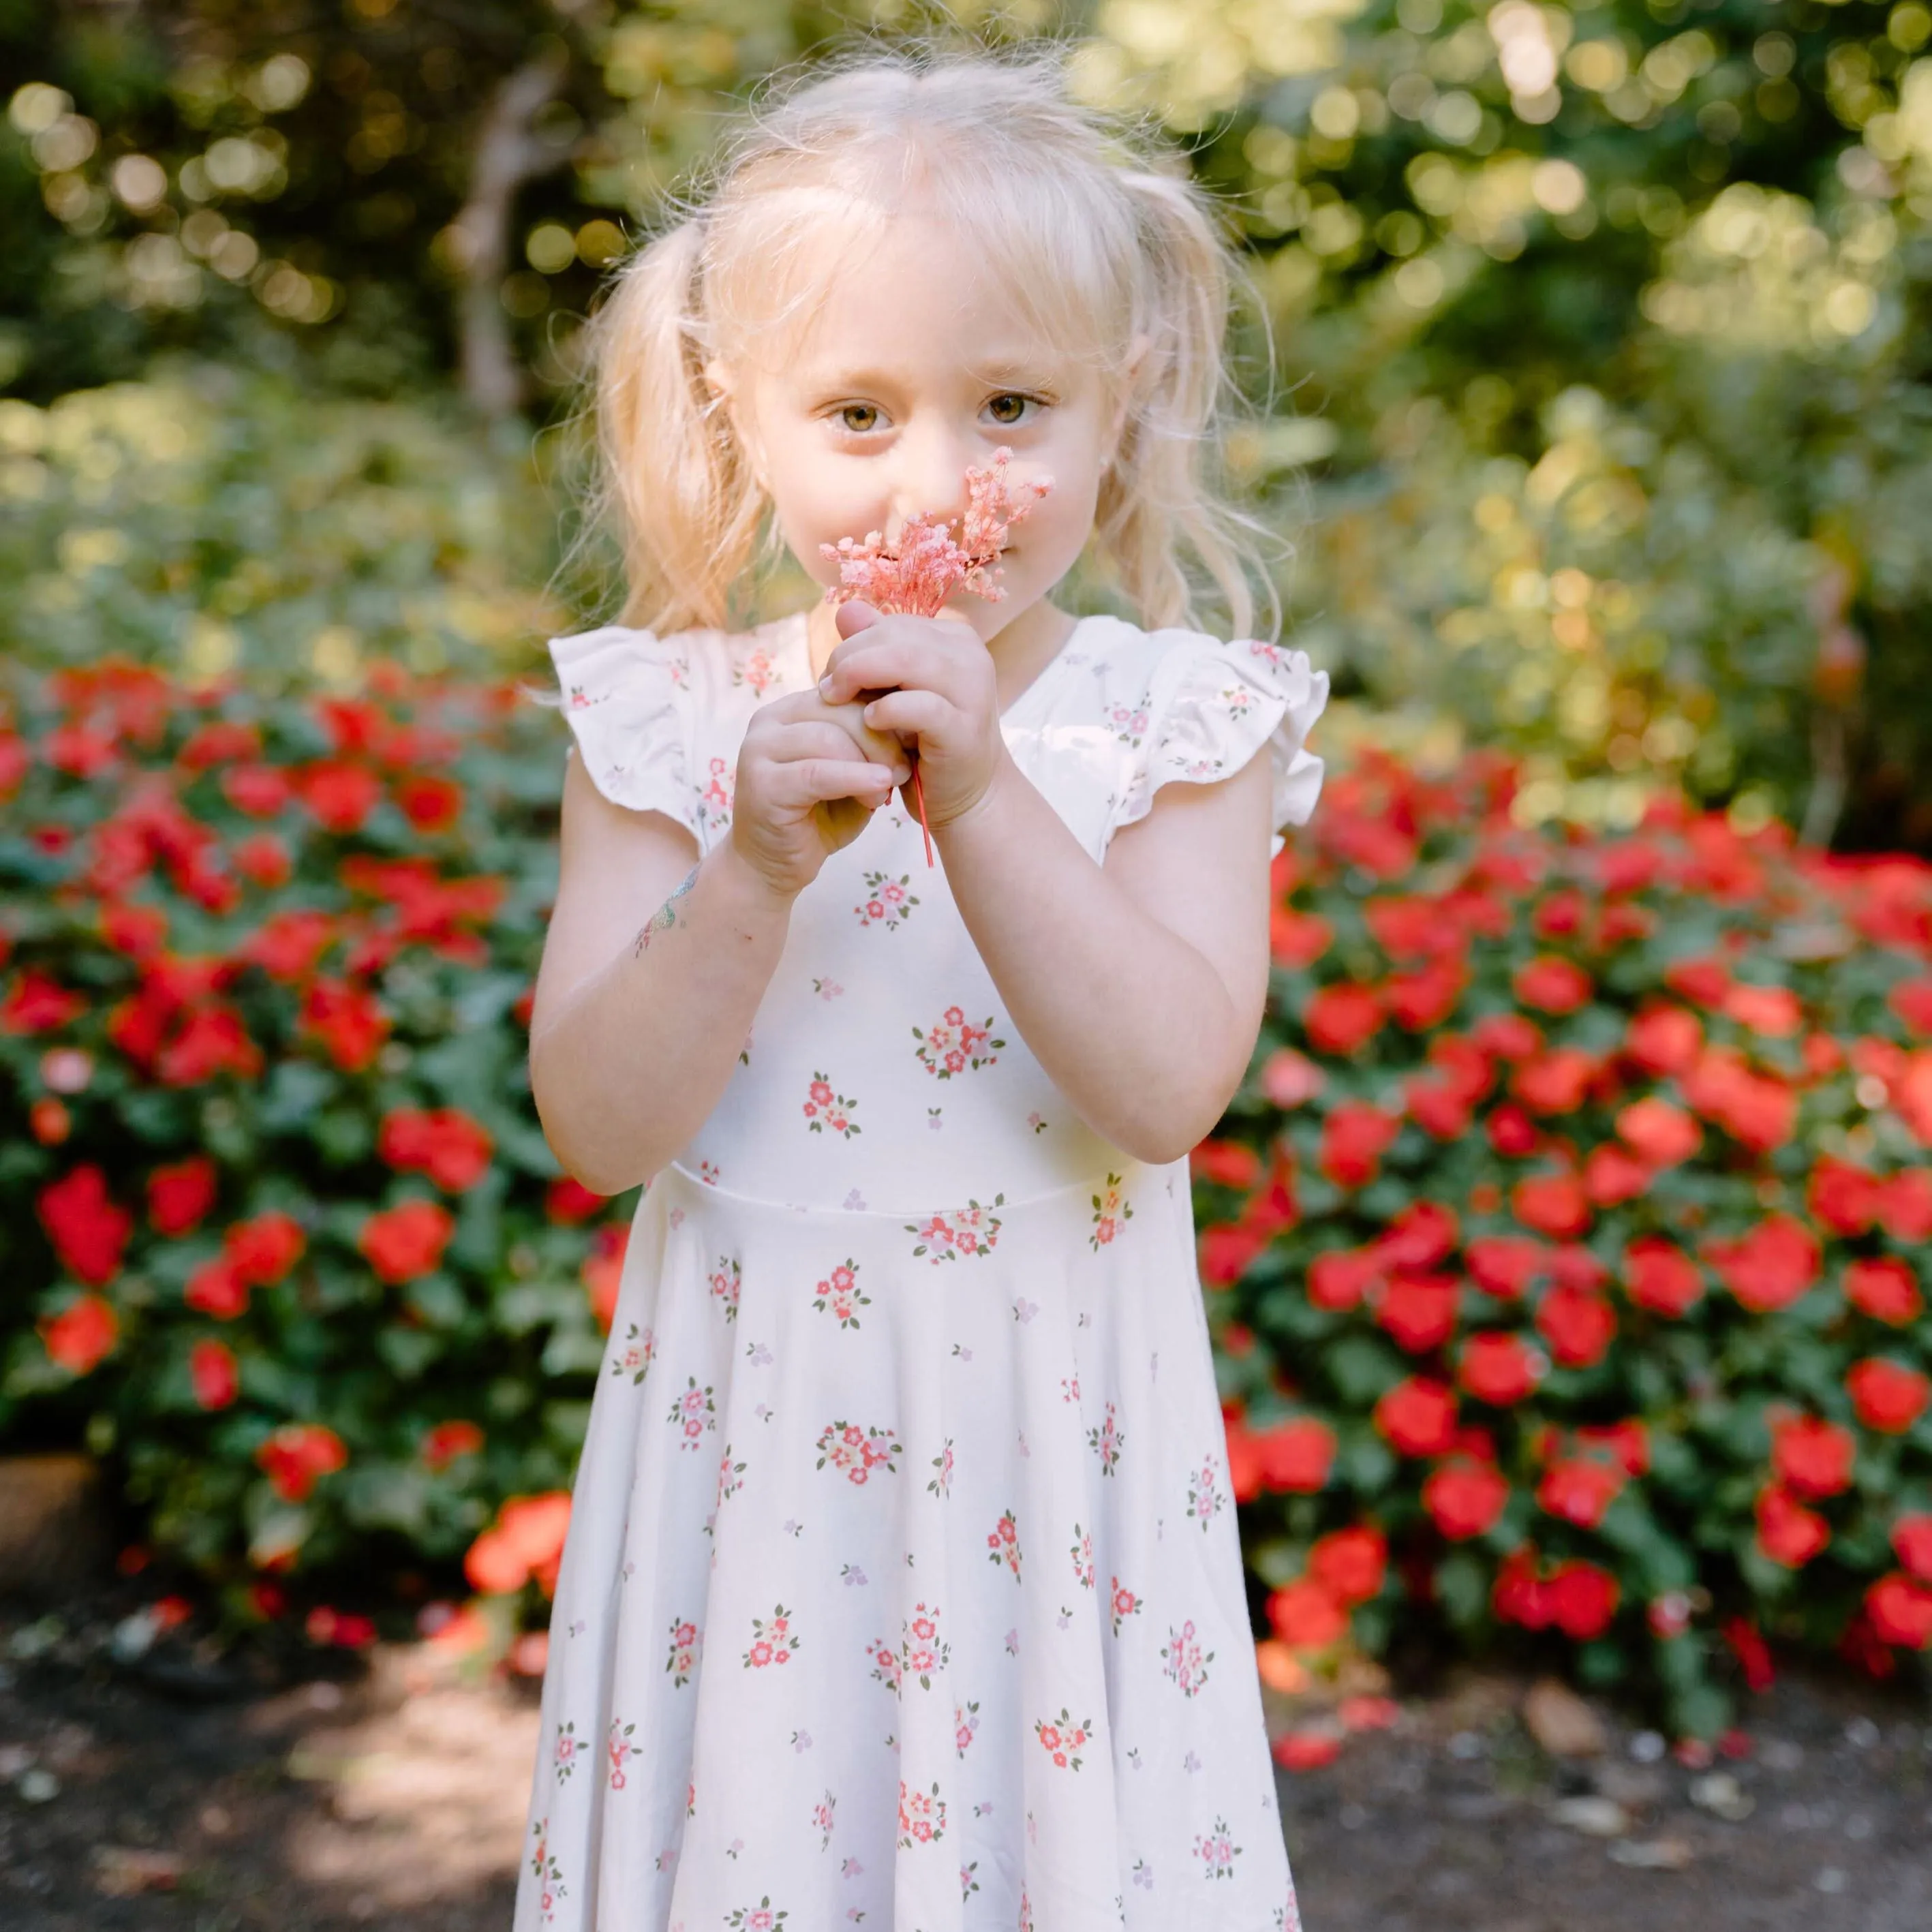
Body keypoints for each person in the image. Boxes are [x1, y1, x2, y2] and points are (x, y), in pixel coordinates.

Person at [516, 35, 1328, 1932]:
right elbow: (595, 1129)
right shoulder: (670, 721)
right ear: (741, 414)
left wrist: (979, 788)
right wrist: (751, 872)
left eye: (1012, 403)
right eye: (859, 414)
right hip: (760, 1453)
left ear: (1125, 401)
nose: (941, 478)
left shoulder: (1177, 724)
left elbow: (1166, 1086)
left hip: (1053, 1459)